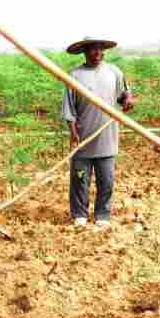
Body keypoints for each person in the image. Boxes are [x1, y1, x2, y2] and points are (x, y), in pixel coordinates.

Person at [61, 37, 135, 228]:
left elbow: (124, 95)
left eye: (100, 49)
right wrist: (72, 130)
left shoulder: (114, 72)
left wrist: (128, 100)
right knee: (79, 179)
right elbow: (69, 107)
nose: (97, 53)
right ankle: (79, 214)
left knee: (107, 180)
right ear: (84, 52)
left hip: (107, 136)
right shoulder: (75, 75)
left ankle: (102, 214)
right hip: (83, 137)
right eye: (93, 50)